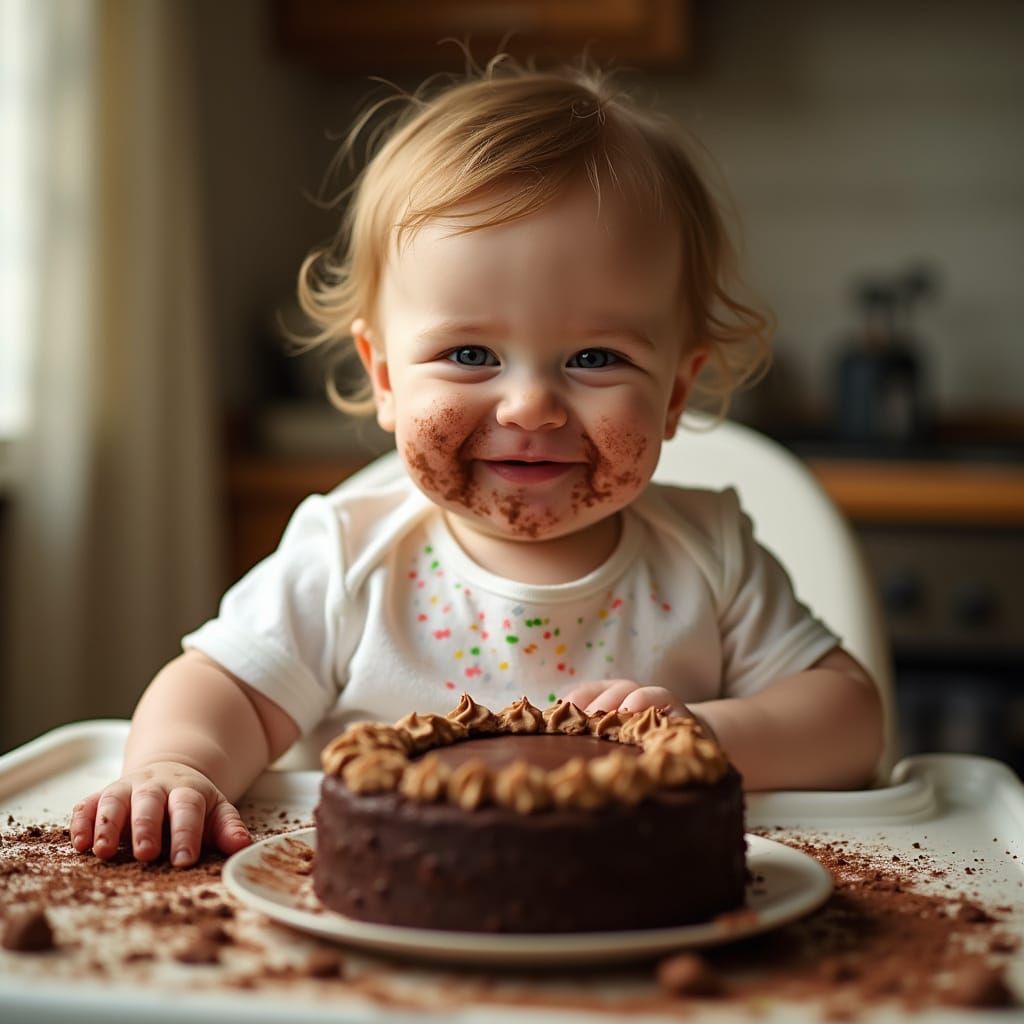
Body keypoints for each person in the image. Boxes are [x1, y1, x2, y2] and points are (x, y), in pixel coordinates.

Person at [71, 60, 883, 868]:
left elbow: (848, 719)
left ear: (675, 393)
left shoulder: (708, 555)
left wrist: (705, 734)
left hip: (637, 916)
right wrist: (176, 765)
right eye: (469, 352)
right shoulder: (351, 556)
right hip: (383, 919)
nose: (530, 405)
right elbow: (229, 691)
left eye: (595, 356)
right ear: (385, 378)